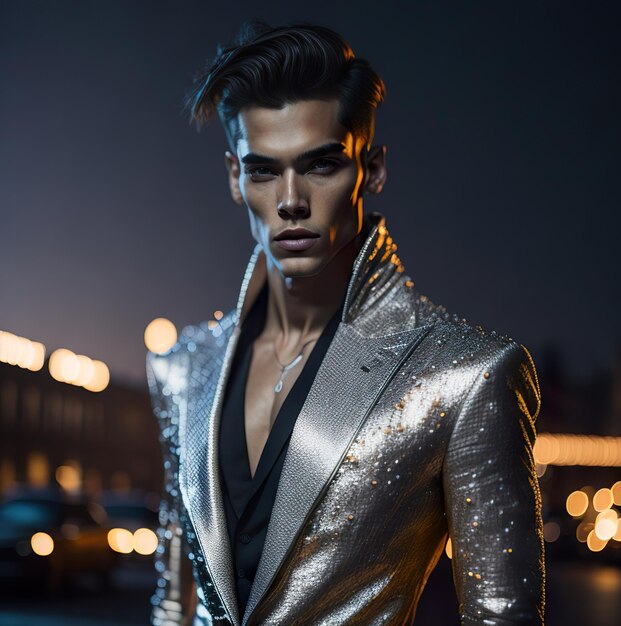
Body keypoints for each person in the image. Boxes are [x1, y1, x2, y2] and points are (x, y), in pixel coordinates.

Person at [146, 20, 545, 626]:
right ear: (235, 178)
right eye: (262, 171)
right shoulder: (183, 368)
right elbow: (176, 603)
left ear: (373, 169)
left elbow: (503, 617)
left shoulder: (466, 376)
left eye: (320, 165)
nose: (290, 200)